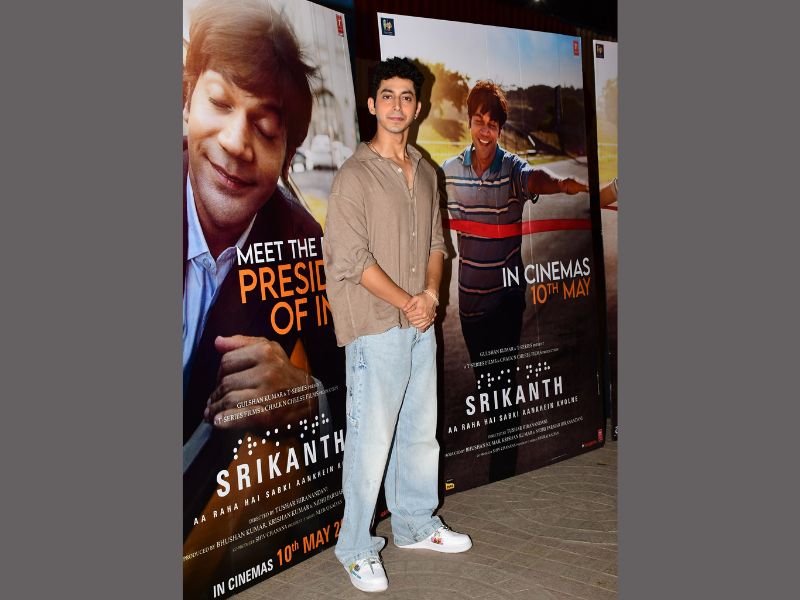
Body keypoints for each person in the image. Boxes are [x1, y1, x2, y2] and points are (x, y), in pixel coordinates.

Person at [181, 0, 342, 537]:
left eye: (266, 128)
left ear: (288, 157)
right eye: (219, 103)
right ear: (186, 102)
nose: (235, 142)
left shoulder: (307, 247)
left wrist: (307, 397)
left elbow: (353, 394)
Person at [324, 57, 472, 593]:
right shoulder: (354, 175)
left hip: (418, 323)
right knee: (370, 442)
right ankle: (355, 547)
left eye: (407, 97)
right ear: (372, 104)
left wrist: (429, 296)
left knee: (418, 433)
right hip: (375, 326)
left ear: (418, 107)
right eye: (387, 95)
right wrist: (409, 302)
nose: (397, 105)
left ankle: (413, 524)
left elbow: (436, 243)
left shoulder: (427, 172)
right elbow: (350, 258)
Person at [442, 80, 589, 480]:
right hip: (470, 305)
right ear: (469, 122)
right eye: (478, 121)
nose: (485, 130)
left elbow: (535, 178)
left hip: (506, 301)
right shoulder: (450, 173)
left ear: (500, 129)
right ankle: (500, 455)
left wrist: (561, 185)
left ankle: (503, 468)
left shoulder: (511, 168)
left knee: (503, 383)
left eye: (492, 124)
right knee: (488, 388)